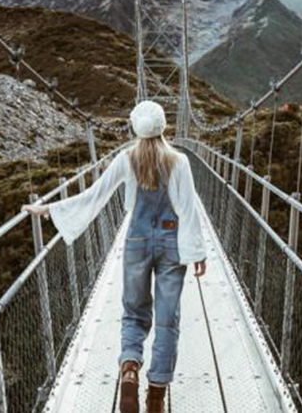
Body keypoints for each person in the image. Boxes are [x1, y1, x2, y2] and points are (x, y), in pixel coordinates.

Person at [23, 101, 207, 413]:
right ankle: (156, 397)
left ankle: (130, 368)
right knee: (167, 319)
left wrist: (49, 209)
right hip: (172, 241)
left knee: (134, 311)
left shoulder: (126, 159)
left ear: (136, 128)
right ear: (164, 127)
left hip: (136, 240)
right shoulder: (179, 161)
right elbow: (188, 209)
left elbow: (95, 195)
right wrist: (197, 252)